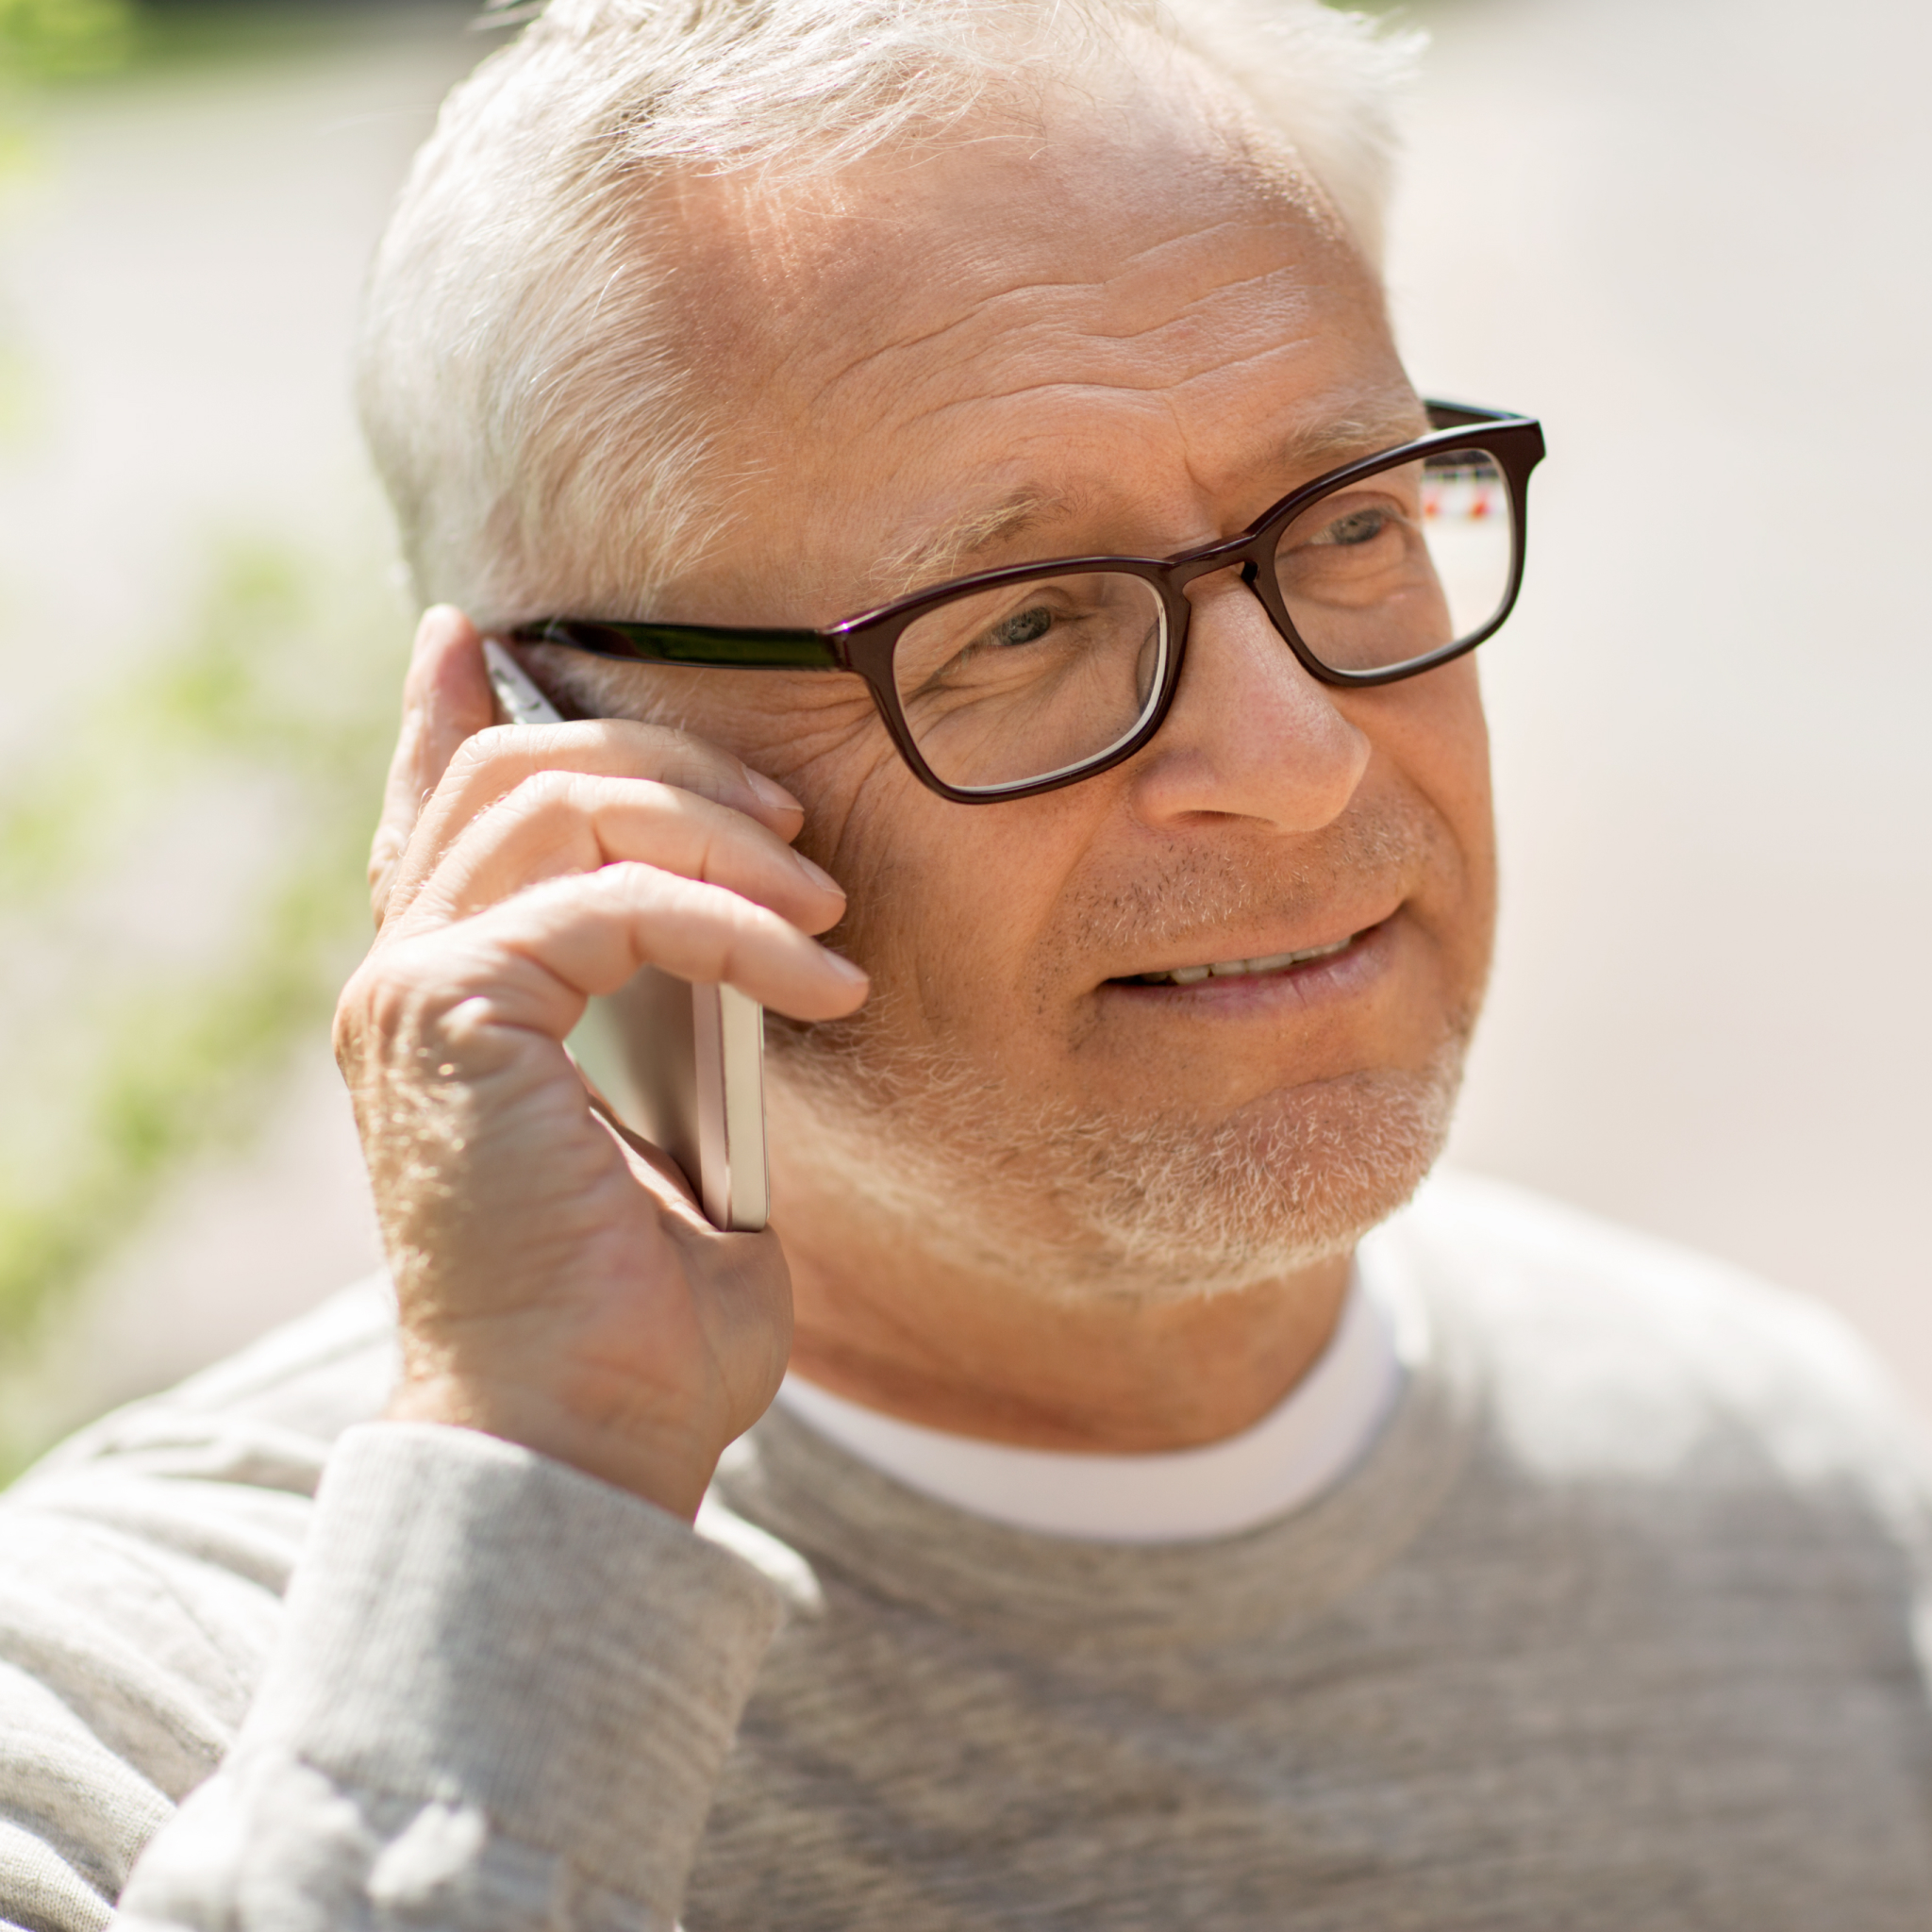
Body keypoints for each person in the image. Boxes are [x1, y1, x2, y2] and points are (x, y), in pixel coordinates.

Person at [5, 0, 1931, 1924]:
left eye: (1344, 522)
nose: (1295, 760)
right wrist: (543, 1499)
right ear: (542, 747)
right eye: (1013, 627)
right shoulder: (131, 1719)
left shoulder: (1773, 1488)